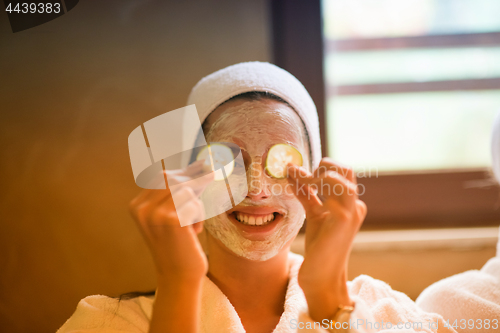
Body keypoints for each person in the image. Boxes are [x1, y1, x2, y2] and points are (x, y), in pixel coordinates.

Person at [57, 62, 499, 333]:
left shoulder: (380, 313)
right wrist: (179, 284)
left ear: (314, 176)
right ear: (190, 171)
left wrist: (329, 300)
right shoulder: (107, 322)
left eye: (280, 162)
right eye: (226, 160)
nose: (256, 188)